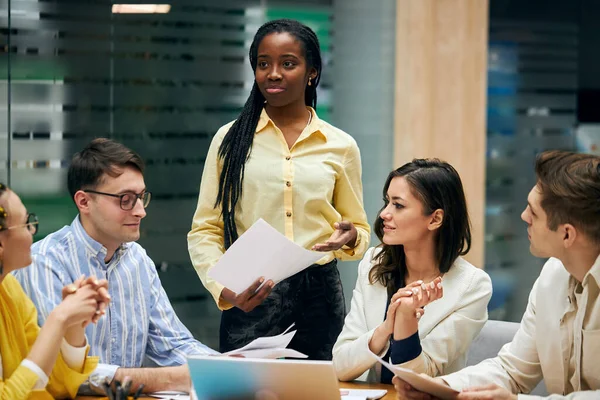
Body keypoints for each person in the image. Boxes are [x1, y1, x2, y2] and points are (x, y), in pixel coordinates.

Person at [187, 18, 370, 360]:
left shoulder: (340, 146)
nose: (273, 73)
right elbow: (204, 230)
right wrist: (225, 289)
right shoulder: (229, 141)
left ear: (312, 72)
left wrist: (349, 238)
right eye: (263, 64)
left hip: (320, 297)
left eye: (288, 63)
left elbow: (358, 228)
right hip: (252, 293)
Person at [14, 138, 217, 395]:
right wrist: (169, 379)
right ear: (84, 202)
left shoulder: (138, 260)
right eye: (126, 199)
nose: (140, 211)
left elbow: (172, 345)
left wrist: (231, 368)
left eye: (142, 197)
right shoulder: (44, 262)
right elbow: (59, 371)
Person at [393, 150, 600, 400]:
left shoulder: (472, 283)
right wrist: (440, 386)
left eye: (533, 213)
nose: (523, 216)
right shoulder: (552, 277)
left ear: (567, 234)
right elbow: (511, 370)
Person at [332, 159, 492, 383]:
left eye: (398, 205)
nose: (384, 214)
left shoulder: (472, 286)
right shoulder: (373, 263)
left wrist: (406, 320)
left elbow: (416, 379)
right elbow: (339, 366)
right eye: (387, 202)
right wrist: (385, 329)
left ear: (435, 219)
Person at [0, 182, 109, 399]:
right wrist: (58, 318)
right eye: (25, 224)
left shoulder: (9, 288)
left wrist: (73, 325)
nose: (32, 231)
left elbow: (55, 386)